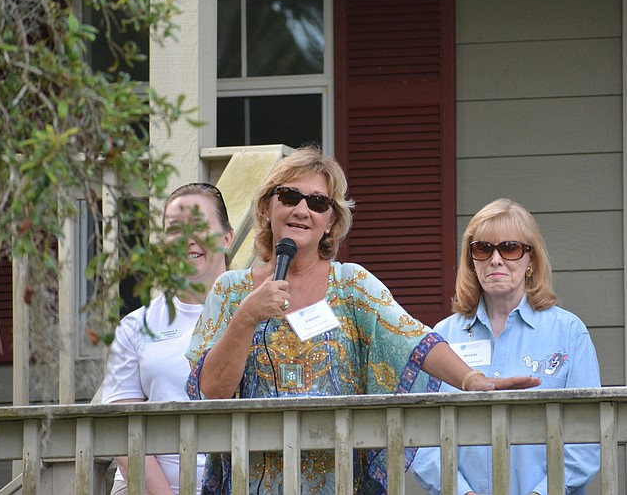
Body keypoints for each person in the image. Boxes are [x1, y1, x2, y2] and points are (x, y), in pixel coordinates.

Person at [185, 146, 541, 495]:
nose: (302, 210)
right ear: (267, 207)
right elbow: (211, 392)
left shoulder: (352, 285)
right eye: (289, 196)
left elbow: (413, 339)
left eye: (318, 202)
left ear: (331, 222)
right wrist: (246, 317)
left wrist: (471, 379)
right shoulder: (231, 291)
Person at [409, 198, 601, 495]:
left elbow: (586, 438)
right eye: (483, 249)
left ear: (531, 260)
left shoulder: (569, 333)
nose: (495, 260)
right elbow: (422, 439)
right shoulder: (442, 337)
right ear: (471, 261)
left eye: (510, 248)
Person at [102, 182, 234, 495]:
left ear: (227, 238)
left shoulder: (258, 317)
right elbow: (120, 428)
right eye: (175, 229)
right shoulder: (136, 325)